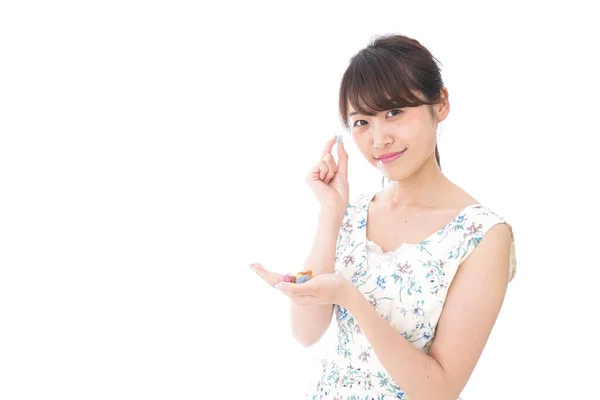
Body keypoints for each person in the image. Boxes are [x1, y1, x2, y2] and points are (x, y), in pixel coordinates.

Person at [249, 33, 517, 400]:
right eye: (361, 122)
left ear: (440, 104)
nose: (379, 140)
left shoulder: (482, 235)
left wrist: (352, 299)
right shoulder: (353, 213)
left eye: (394, 112)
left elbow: (440, 390)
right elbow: (306, 333)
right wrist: (331, 213)